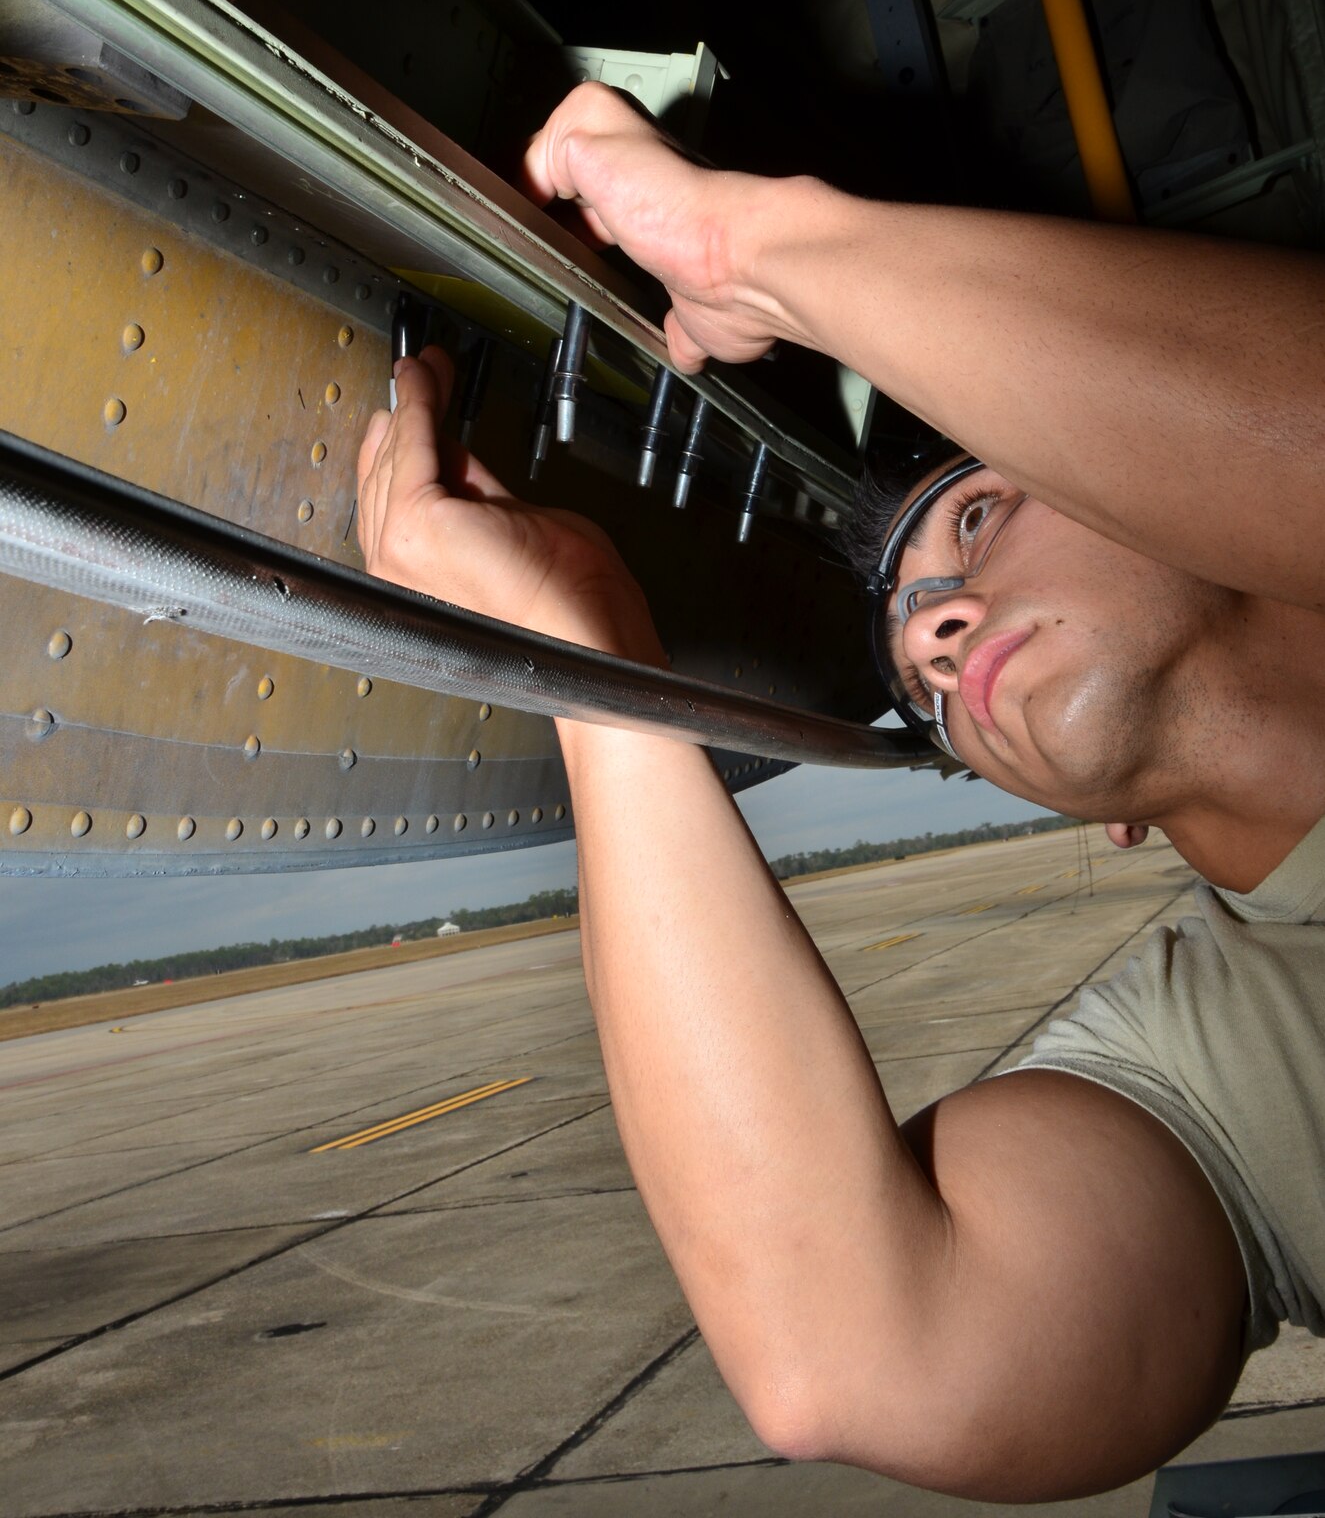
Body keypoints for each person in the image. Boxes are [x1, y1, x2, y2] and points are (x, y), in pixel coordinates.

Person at [356, 82, 1325, 1500]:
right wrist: (588, 669)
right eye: (919, 659)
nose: (935, 633)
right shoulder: (1222, 1053)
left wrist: (760, 252)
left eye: (980, 517)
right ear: (1109, 825)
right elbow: (857, 1354)